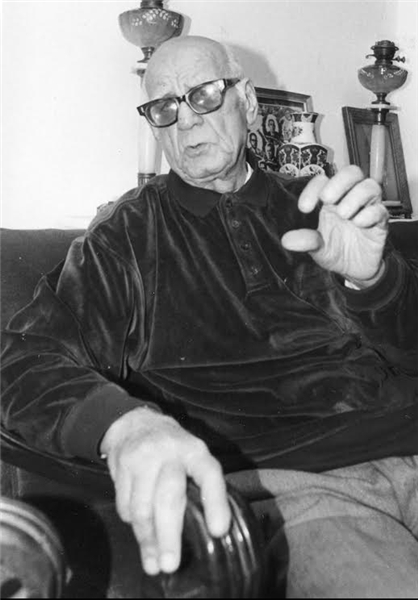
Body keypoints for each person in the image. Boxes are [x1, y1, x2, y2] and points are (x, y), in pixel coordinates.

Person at [2, 35, 418, 597]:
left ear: (247, 101)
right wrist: (125, 426)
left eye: (203, 94)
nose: (186, 120)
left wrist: (375, 280)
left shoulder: (323, 206)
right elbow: (24, 359)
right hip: (294, 486)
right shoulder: (126, 236)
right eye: (164, 107)